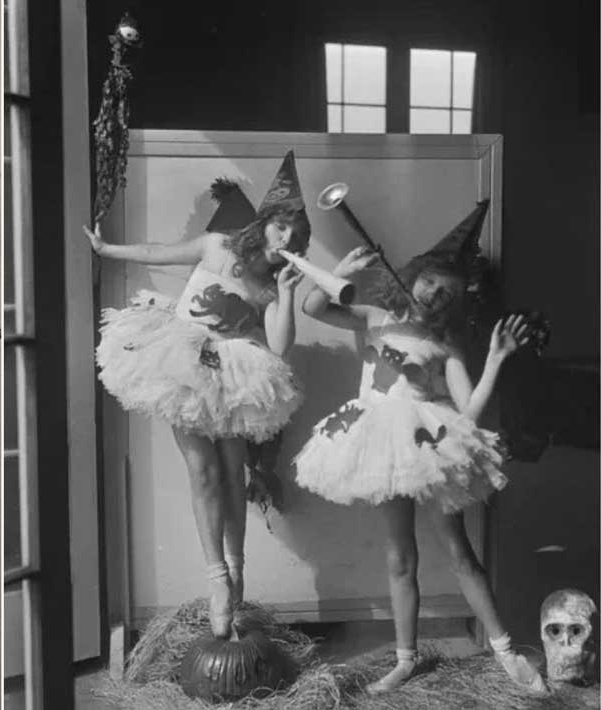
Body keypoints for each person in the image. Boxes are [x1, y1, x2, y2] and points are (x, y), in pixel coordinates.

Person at [294, 199, 547, 693]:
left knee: (460, 553)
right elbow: (314, 307)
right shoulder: (374, 317)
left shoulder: (446, 345)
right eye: (429, 281)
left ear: (455, 302)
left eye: (445, 292)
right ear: (413, 276)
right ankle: (405, 660)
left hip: (427, 442)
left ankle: (506, 654)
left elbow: (468, 412)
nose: (433, 294)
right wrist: (340, 272)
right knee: (399, 557)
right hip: (377, 441)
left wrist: (496, 358)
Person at [84, 152, 308, 638]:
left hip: (232, 374)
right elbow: (157, 251)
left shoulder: (270, 288)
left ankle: (237, 566)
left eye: (296, 237)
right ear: (264, 224)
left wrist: (288, 293)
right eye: (281, 228)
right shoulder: (217, 245)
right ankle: (217, 579)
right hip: (182, 362)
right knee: (203, 472)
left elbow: (279, 345)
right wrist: (107, 249)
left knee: (232, 472)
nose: (286, 240)